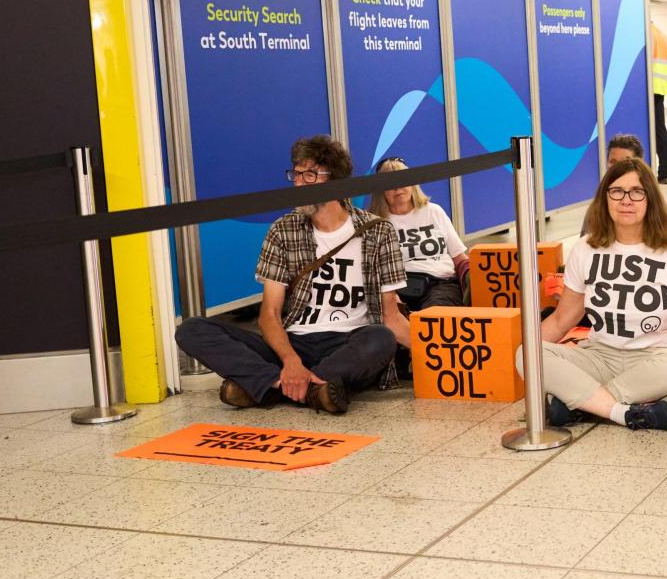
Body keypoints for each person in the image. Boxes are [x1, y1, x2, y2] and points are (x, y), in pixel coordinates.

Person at [175, 135, 409, 415]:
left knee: (380, 338)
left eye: (309, 175)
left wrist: (440, 357)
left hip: (349, 341)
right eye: (295, 174)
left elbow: (391, 317)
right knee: (192, 330)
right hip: (294, 341)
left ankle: (267, 388)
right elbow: (269, 314)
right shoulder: (282, 230)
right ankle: (311, 388)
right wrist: (290, 361)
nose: (298, 183)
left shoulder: (378, 231)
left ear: (335, 181)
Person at [524, 158, 667, 431]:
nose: (626, 200)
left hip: (657, 360)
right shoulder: (585, 249)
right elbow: (562, 320)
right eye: (617, 191)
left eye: (637, 192)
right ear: (605, 198)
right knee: (528, 352)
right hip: (599, 357)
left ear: (650, 199)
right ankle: (625, 412)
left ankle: (580, 404)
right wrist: (527, 356)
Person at [369, 157, 470, 312]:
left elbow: (459, 257)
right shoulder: (374, 223)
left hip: (440, 284)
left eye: (403, 180)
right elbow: (371, 271)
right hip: (396, 289)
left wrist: (474, 276)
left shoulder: (433, 211)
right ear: (381, 190)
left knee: (434, 319)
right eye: (390, 183)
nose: (398, 187)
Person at [649, 22, 667, 185]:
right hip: (660, 88)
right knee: (660, 131)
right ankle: (664, 173)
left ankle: (646, 171)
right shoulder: (663, 37)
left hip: (646, 89)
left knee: (647, 131)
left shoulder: (646, 34)